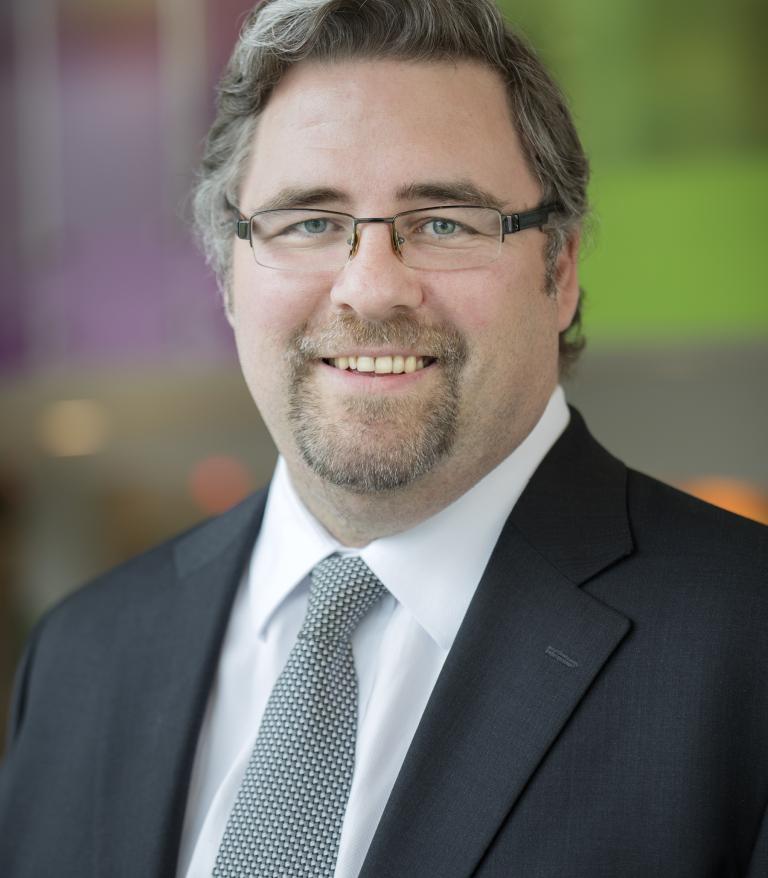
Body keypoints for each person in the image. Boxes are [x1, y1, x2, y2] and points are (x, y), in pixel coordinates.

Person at [1, 0, 766, 875]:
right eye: (309, 223)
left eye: (444, 222)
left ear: (559, 273)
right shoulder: (83, 655)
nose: (370, 290)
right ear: (227, 280)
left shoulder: (747, 644)